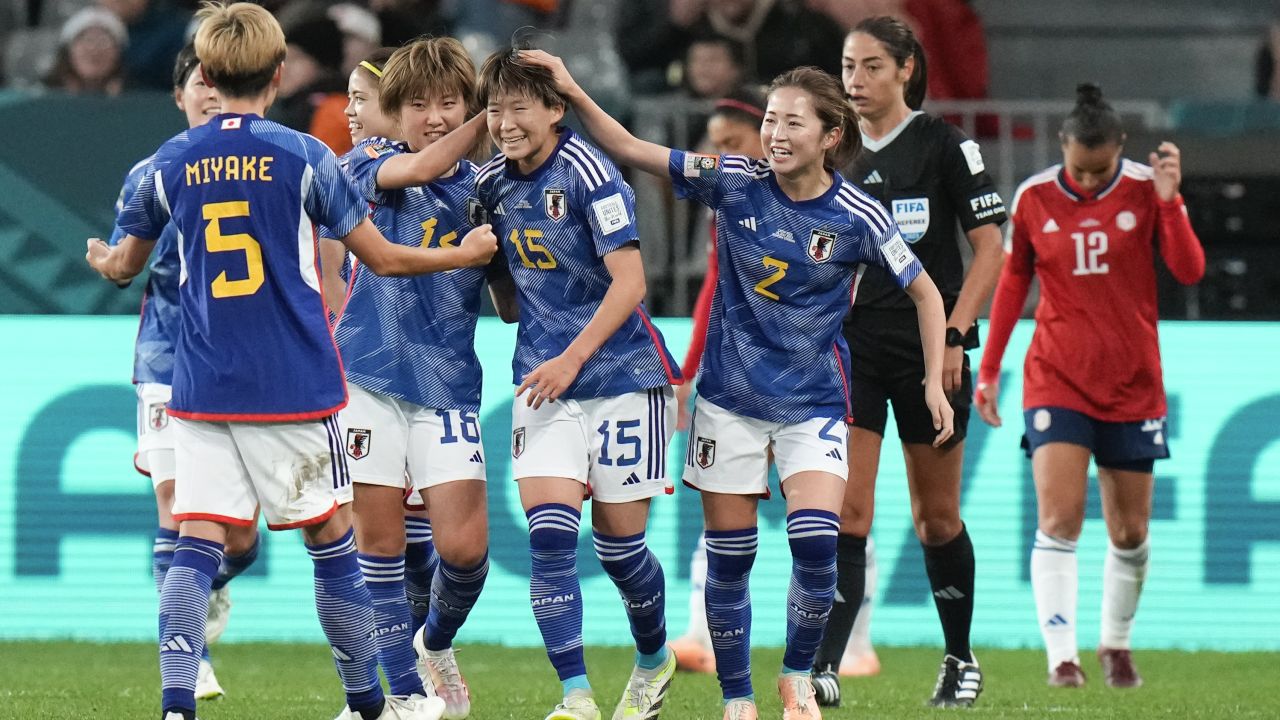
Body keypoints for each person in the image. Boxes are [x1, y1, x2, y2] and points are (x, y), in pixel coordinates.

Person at [84, 3, 496, 719]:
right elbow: (386, 259)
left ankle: (177, 705)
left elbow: (124, 266)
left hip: (203, 383)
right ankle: (372, 704)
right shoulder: (305, 154)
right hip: (295, 382)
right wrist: (461, 254)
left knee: (196, 541)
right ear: (278, 75)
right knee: (332, 541)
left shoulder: (168, 162)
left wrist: (106, 259)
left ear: (208, 74)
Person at [521, 50, 953, 720]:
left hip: (812, 402)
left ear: (831, 136)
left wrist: (933, 381)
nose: (776, 134)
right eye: (772, 121)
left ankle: (795, 679)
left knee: (817, 546)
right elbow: (632, 146)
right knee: (731, 560)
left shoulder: (859, 215)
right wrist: (572, 88)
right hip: (730, 403)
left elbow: (926, 294)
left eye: (793, 123)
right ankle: (738, 699)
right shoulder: (732, 180)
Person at [976, 83, 1205, 690]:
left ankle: (1117, 645)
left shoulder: (1143, 189)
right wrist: (991, 368)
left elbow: (1188, 271)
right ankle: (1062, 659)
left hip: (1132, 382)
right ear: (1063, 147)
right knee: (1060, 518)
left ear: (1119, 149)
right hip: (1057, 378)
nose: (1087, 177)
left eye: (1099, 168)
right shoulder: (1032, 199)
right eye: (1078, 166)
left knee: (1131, 531)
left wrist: (1172, 203)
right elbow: (1010, 285)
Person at [476, 49, 682, 720]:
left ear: (555, 109)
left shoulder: (591, 173)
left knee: (621, 550)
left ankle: (653, 660)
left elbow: (632, 283)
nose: (504, 123)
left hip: (622, 375)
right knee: (550, 538)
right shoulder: (491, 185)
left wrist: (572, 357)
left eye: (518, 108)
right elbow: (508, 299)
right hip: (545, 381)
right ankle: (576, 696)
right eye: (495, 109)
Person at [810, 16, 1008, 709]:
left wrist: (955, 335)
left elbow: (991, 249)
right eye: (847, 67)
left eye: (870, 67)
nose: (855, 81)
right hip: (855, 347)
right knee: (848, 510)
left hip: (932, 353)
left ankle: (958, 657)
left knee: (936, 519)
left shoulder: (947, 147)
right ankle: (826, 666)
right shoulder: (833, 151)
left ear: (906, 71)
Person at [668, 86, 882, 681]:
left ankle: (855, 641)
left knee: (843, 514)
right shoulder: (739, 202)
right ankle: (702, 637)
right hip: (740, 379)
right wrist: (691, 371)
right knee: (726, 526)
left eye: (732, 142)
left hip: (822, 369)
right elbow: (716, 290)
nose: (728, 153)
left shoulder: (844, 211)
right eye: (717, 145)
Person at [319, 37, 497, 720]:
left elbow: (509, 291)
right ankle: (402, 697)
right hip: (366, 374)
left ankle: (435, 645)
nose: (435, 116)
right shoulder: (369, 159)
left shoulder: (489, 190)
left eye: (450, 102)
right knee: (380, 544)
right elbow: (424, 164)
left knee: (464, 549)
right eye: (418, 103)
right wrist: (499, 109)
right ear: (394, 111)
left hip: (447, 382)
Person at [109, 40, 263, 704]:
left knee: (242, 537)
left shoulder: (266, 167)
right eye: (194, 83)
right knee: (176, 507)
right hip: (169, 356)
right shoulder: (154, 171)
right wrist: (108, 259)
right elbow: (127, 259)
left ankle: (215, 586)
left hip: (251, 361)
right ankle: (186, 660)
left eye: (214, 80)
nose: (206, 90)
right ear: (178, 97)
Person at [44, 7, 127, 95]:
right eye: (87, 40)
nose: (94, 50)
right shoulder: (43, 92)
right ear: (68, 51)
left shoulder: (137, 92)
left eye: (103, 41)